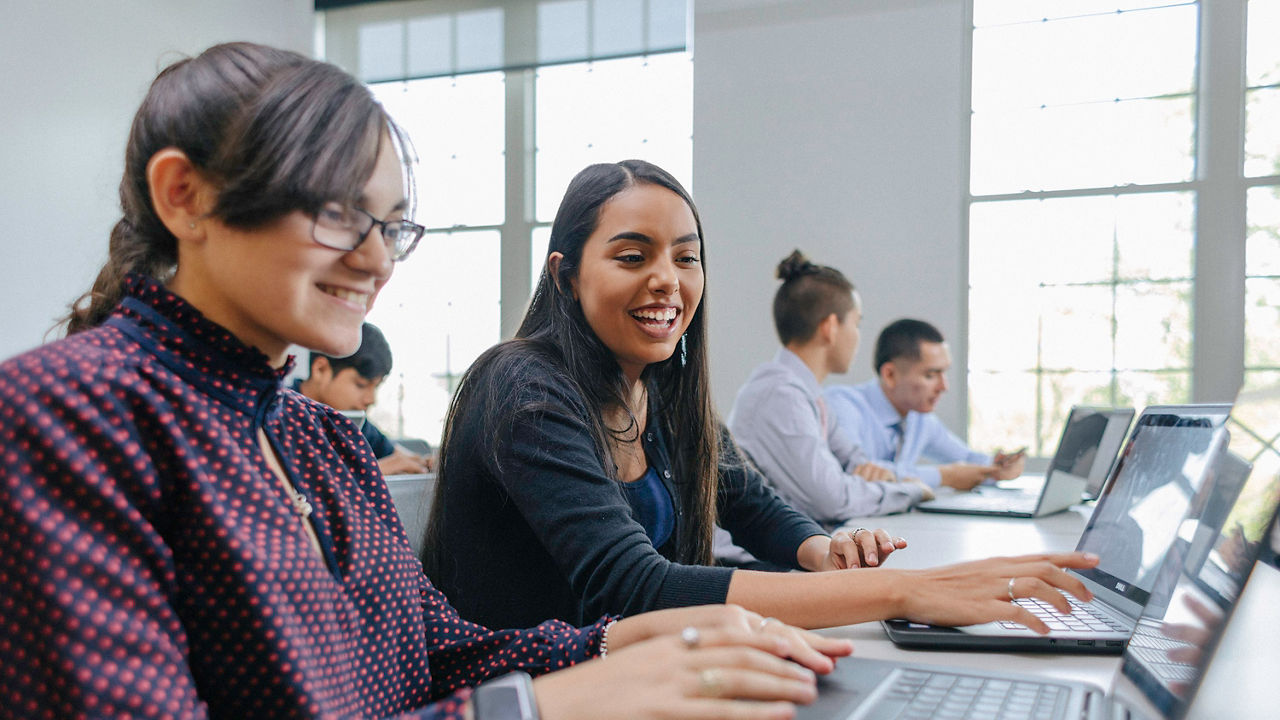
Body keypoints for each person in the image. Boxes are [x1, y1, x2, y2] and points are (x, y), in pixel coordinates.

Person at [0, 43, 853, 720]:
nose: (375, 259)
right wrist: (547, 703)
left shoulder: (320, 437)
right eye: (337, 213)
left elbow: (436, 653)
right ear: (184, 196)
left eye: (392, 225)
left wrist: (623, 645)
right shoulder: (61, 416)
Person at [424, 159, 1099, 634]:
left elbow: (746, 498)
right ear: (566, 277)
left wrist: (820, 553)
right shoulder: (522, 385)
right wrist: (897, 590)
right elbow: (631, 587)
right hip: (532, 690)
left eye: (685, 258)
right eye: (633, 257)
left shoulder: (658, 387)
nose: (667, 280)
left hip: (639, 671)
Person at [714, 251, 932, 567]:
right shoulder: (779, 394)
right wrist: (910, 491)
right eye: (856, 324)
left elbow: (856, 462)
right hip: (749, 563)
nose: (858, 337)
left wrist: (876, 479)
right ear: (830, 327)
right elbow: (832, 498)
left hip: (789, 555)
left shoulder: (809, 394)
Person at [824, 319, 1025, 491]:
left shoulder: (919, 419)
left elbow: (966, 459)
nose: (943, 387)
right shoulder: (843, 404)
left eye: (943, 373)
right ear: (890, 375)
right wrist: (944, 476)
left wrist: (998, 467)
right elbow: (856, 471)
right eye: (930, 375)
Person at [296, 321, 432, 475]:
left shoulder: (353, 421)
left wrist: (426, 464)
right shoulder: (279, 413)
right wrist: (372, 471)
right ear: (320, 370)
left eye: (376, 386)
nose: (371, 399)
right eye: (361, 385)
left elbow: (398, 457)